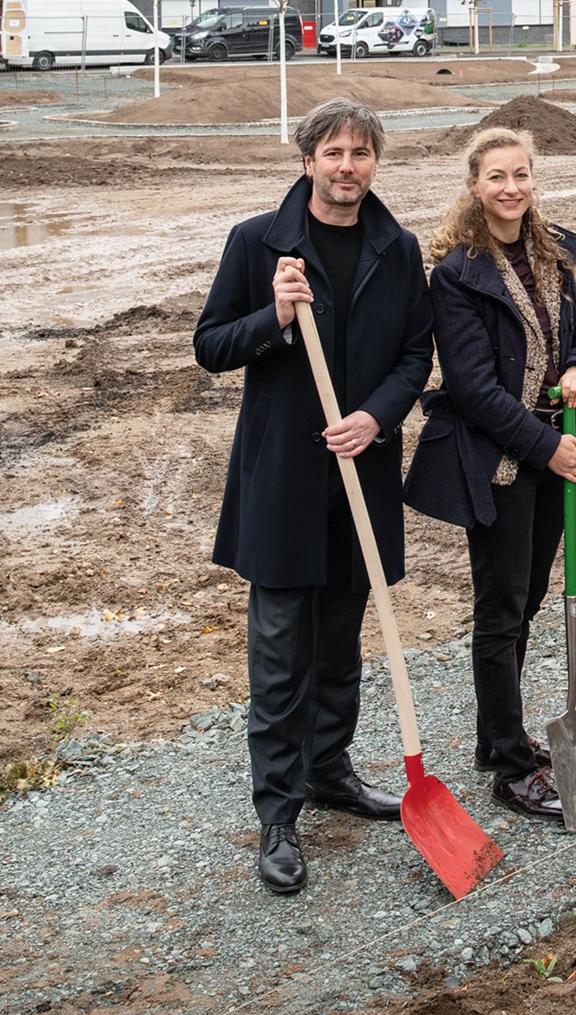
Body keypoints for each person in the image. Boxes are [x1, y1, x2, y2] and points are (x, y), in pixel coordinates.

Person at [193, 98, 432, 894]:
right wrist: (276, 315)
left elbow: (414, 353)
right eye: (333, 152)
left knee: (340, 644)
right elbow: (211, 346)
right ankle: (277, 813)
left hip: (359, 476)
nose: (346, 166)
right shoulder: (259, 242)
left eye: (361, 153)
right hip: (285, 483)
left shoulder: (396, 249)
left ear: (374, 163)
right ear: (307, 161)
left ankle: (329, 769)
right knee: (279, 654)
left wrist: (375, 415)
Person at [402, 128, 576, 822]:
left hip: (557, 442)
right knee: (499, 608)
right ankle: (510, 770)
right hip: (500, 460)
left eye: (520, 175)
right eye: (497, 177)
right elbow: (470, 386)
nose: (511, 188)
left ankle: (498, 737)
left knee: (530, 596)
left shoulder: (554, 251)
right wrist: (544, 446)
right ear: (474, 186)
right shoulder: (456, 272)